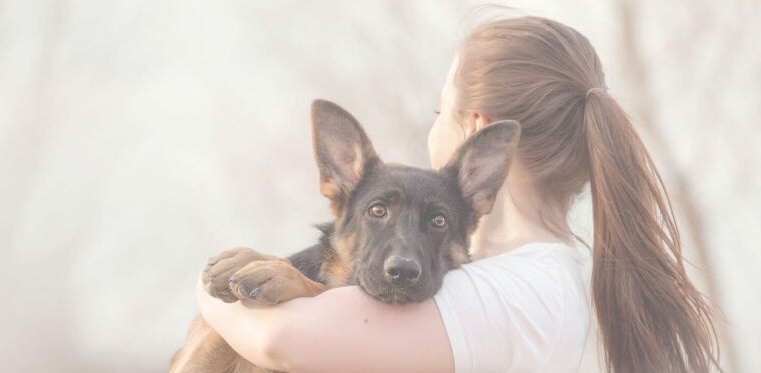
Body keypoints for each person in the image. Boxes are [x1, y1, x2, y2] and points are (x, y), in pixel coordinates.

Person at [196, 15, 719, 372]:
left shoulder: (516, 292)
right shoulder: (518, 280)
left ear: (476, 133)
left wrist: (210, 287)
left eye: (439, 110)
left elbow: (279, 339)